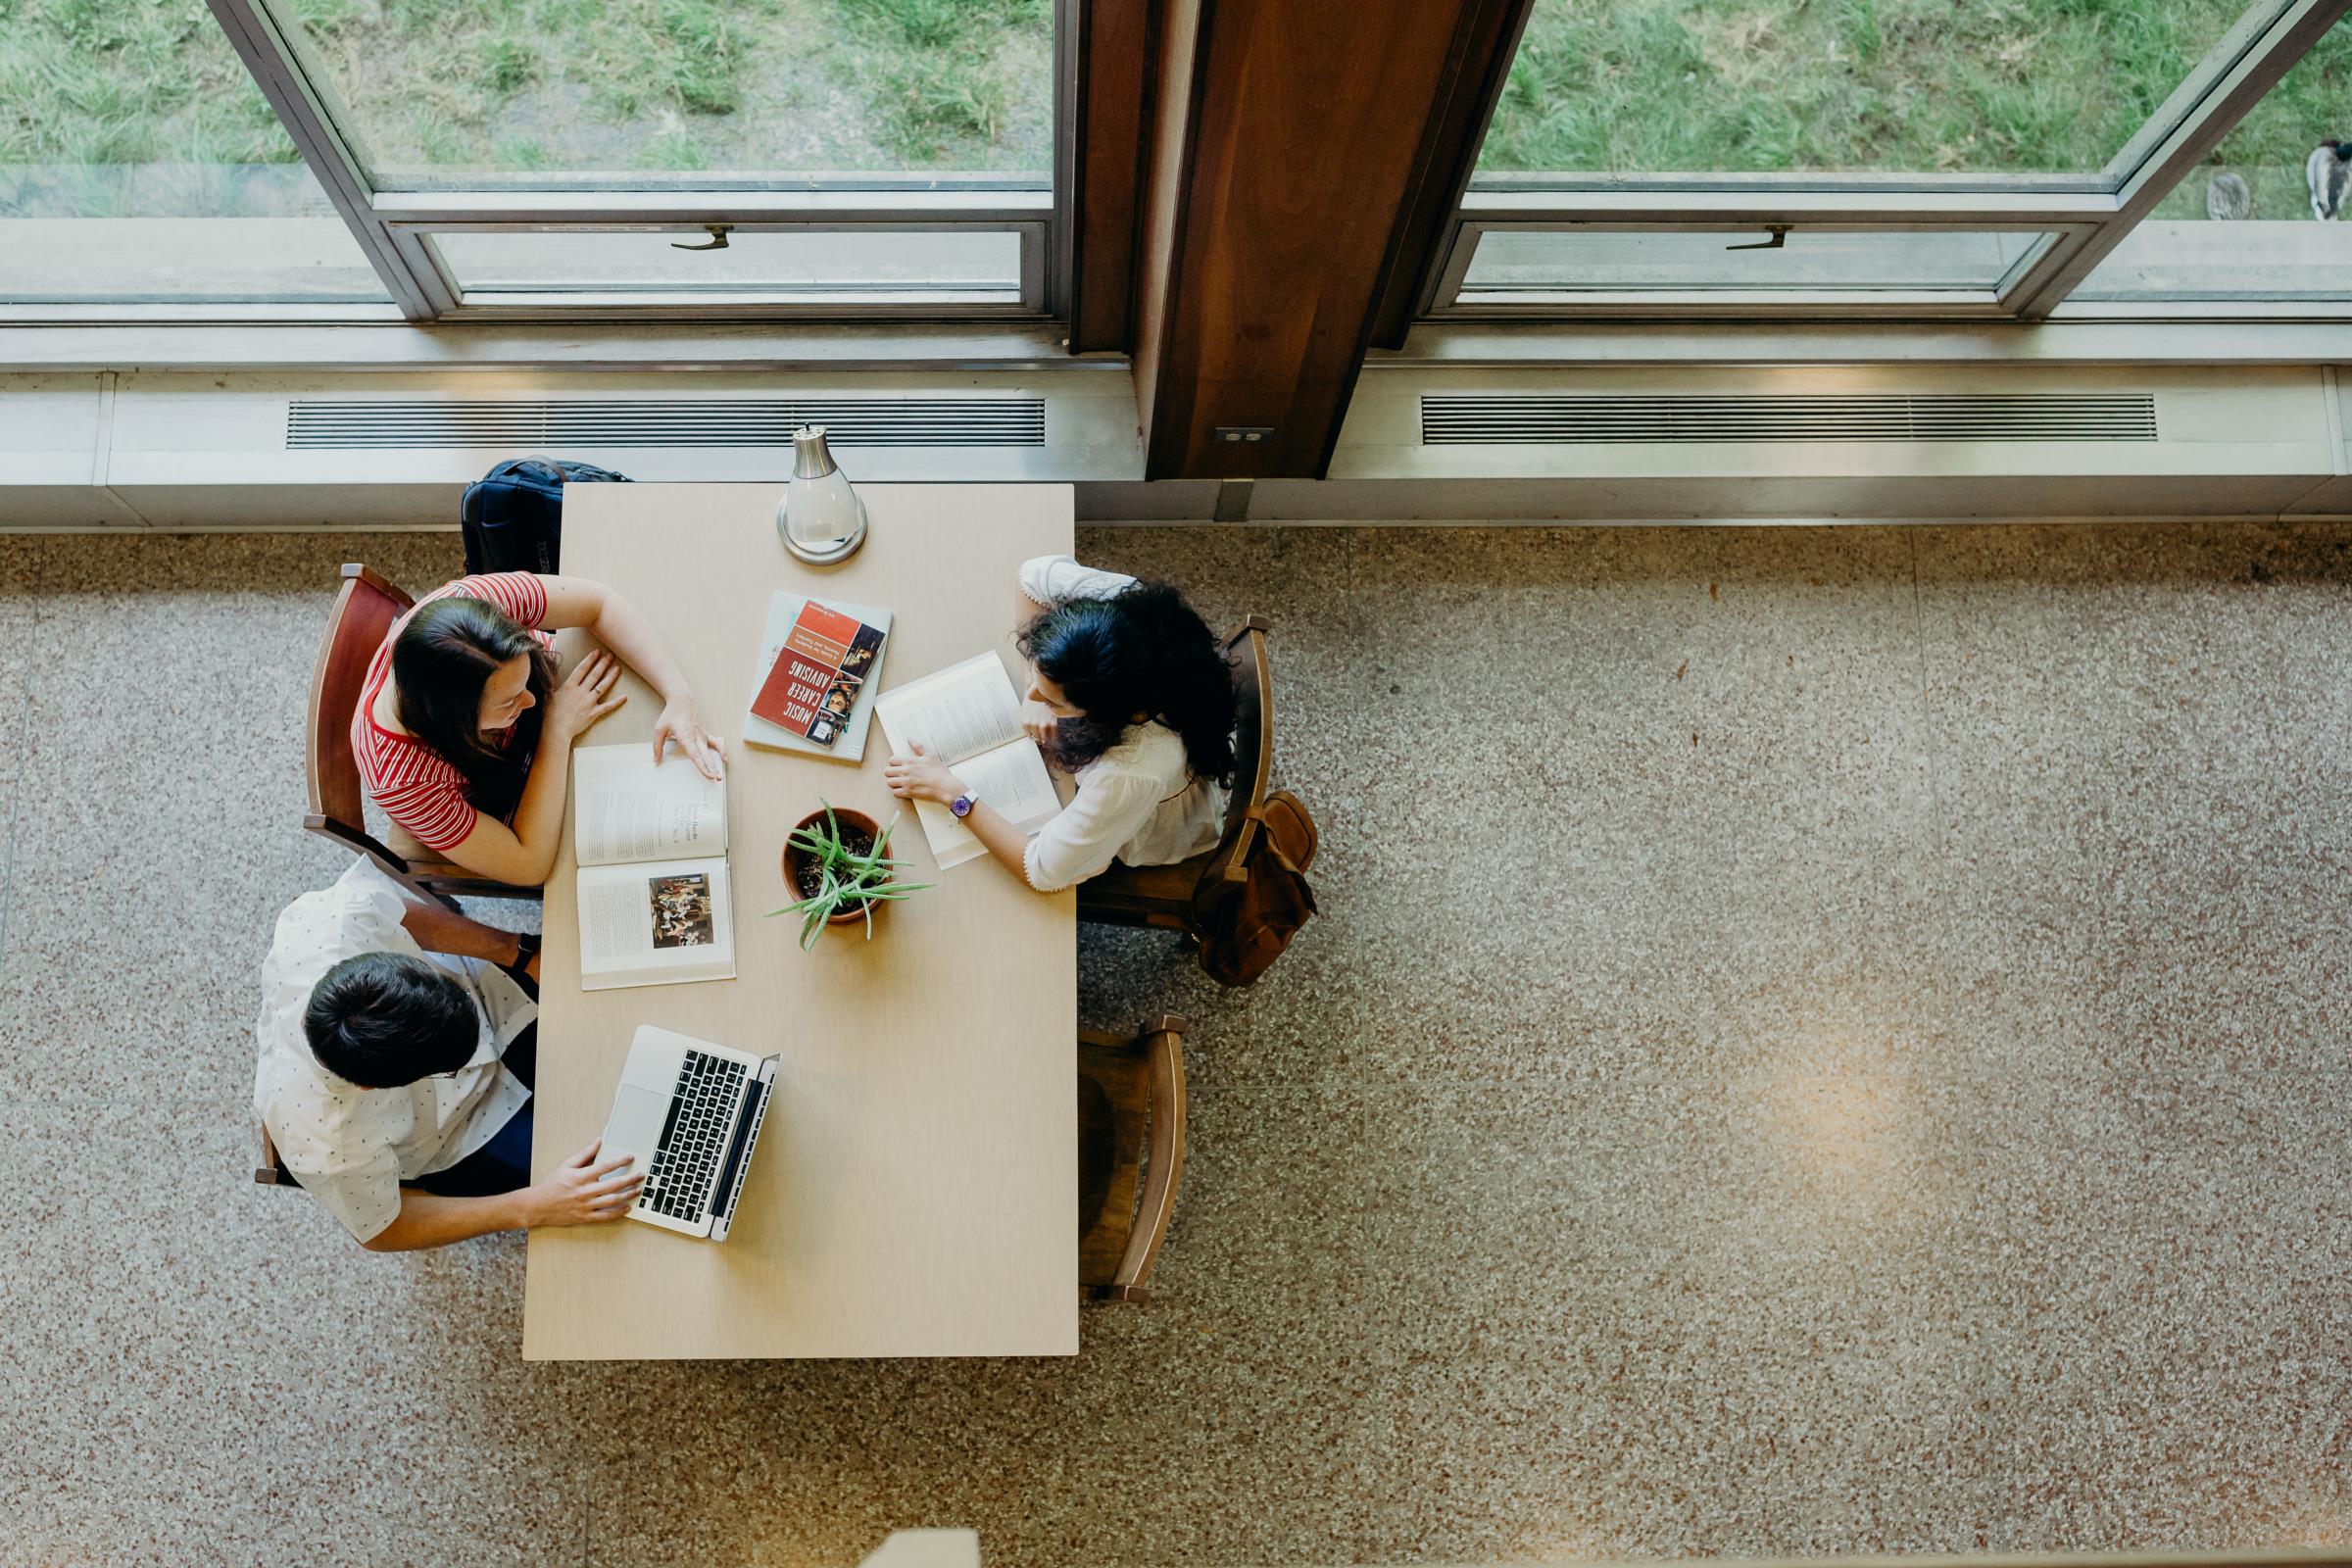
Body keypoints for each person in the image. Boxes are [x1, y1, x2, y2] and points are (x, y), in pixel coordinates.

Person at [254, 858, 643, 1250]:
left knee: (634, 1003)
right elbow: (381, 1229)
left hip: (491, 998)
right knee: (624, 1175)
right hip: (461, 1133)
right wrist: (532, 1206)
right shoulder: (325, 1143)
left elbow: (402, 916)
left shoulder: (336, 921)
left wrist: (519, 952)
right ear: (371, 1087)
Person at [885, 555, 1236, 891]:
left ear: (1111, 716)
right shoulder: (1121, 620)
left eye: (1054, 701)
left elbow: (1041, 870)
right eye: (1036, 672)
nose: (1035, 698)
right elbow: (1032, 578)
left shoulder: (1128, 774)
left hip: (1151, 822)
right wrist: (1031, 689)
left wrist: (952, 792)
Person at [356, 571, 723, 886]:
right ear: (456, 723)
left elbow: (600, 603)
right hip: (514, 783)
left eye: (524, 677)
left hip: (563, 706)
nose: (529, 701)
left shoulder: (470, 609)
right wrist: (555, 731)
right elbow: (528, 864)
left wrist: (677, 694)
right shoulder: (404, 781)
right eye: (510, 702)